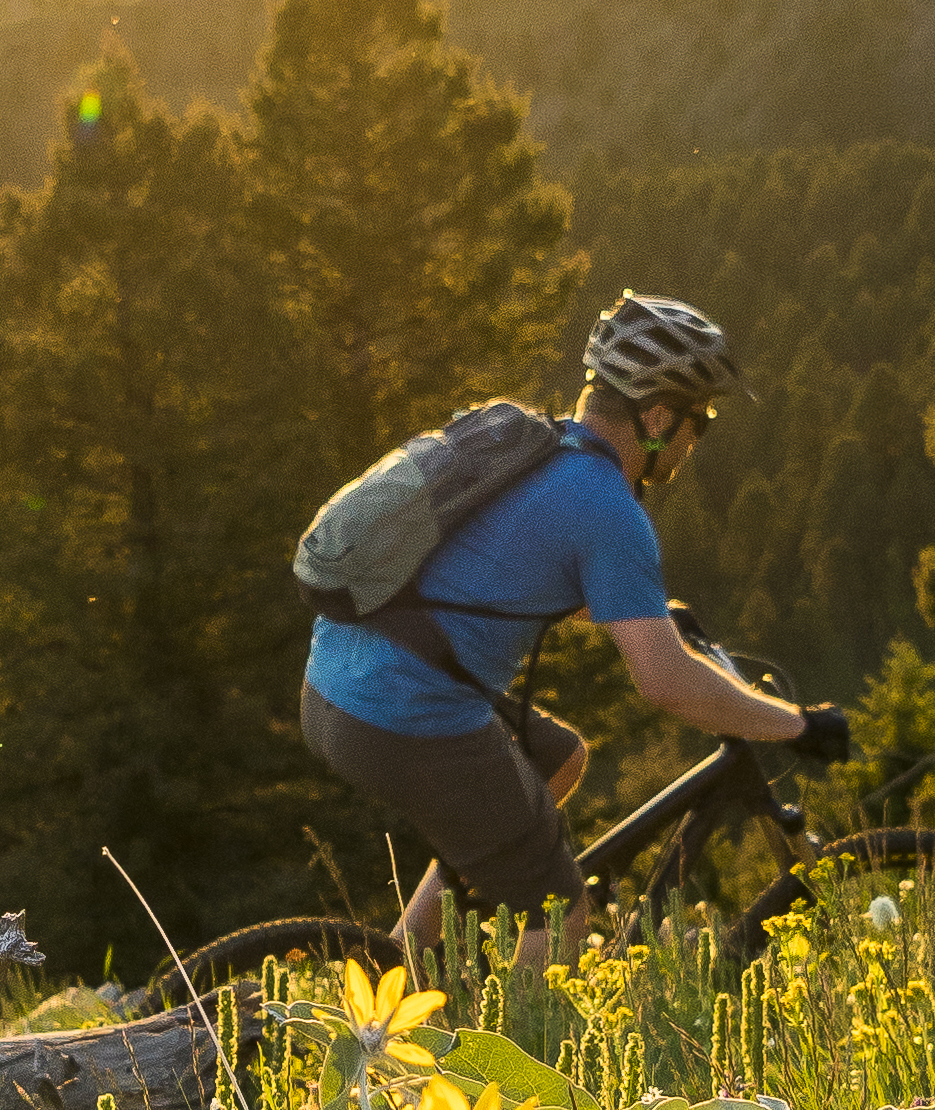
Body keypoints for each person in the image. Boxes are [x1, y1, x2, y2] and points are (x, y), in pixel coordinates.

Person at [299, 290, 849, 964]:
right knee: (560, 911)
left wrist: (650, 615)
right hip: (402, 713)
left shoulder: (530, 447)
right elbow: (667, 684)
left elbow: (513, 568)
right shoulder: (609, 509)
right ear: (656, 416)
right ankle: (504, 1066)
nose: (695, 440)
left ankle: (398, 962)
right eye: (697, 422)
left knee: (556, 758)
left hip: (333, 684)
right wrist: (797, 724)